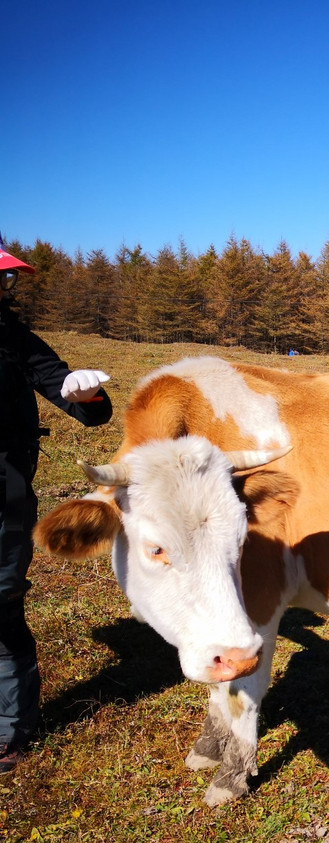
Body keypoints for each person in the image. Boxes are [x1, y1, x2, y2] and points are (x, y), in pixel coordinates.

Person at [0, 237, 113, 773]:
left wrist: (81, 391)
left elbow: (88, 408)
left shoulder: (11, 336)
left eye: (7, 276)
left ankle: (11, 728)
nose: (7, 284)